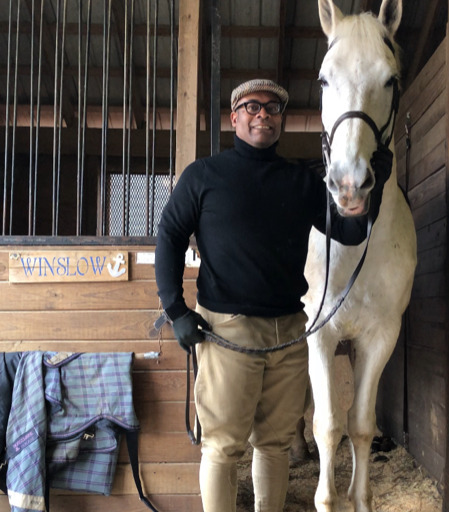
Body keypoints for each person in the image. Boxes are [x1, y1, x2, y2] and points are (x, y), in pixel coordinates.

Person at [154, 78, 392, 512]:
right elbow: (169, 235)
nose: (262, 113)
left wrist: (369, 192)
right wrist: (175, 309)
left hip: (288, 332)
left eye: (272, 108)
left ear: (280, 121)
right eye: (252, 106)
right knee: (224, 448)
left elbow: (349, 231)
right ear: (235, 118)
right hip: (227, 331)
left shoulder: (300, 182)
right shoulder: (204, 176)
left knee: (275, 445)